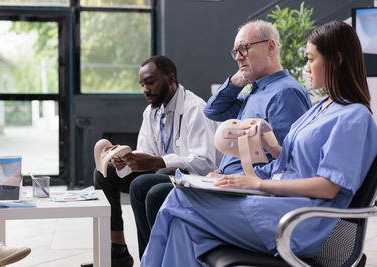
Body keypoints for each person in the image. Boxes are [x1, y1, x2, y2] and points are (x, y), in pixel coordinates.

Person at [140, 21, 377, 266]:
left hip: (298, 220)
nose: (306, 69)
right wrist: (270, 143)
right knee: (183, 226)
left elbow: (329, 187)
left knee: (178, 201)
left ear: (336, 60)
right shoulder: (322, 108)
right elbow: (292, 162)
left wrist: (259, 183)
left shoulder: (354, 117)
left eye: (310, 59)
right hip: (277, 203)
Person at [129, 19, 312, 258]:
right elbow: (213, 110)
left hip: (245, 190)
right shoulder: (255, 92)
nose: (238, 56)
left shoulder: (285, 93)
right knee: (141, 186)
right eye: (235, 51)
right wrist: (238, 80)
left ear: (270, 47)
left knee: (156, 195)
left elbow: (288, 164)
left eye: (244, 48)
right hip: (225, 182)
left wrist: (242, 180)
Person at [92, 55, 218, 267]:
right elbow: (146, 151)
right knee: (105, 174)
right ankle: (118, 251)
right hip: (161, 173)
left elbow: (204, 163)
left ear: (170, 79)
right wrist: (126, 160)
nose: (145, 89)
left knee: (144, 185)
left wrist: (158, 161)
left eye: (150, 82)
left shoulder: (195, 108)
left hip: (194, 179)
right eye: (142, 84)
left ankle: (150, 261)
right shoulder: (151, 112)